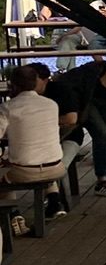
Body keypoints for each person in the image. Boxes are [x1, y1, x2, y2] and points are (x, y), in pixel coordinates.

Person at [48, 51, 106, 196]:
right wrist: (72, 104)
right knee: (103, 136)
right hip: (89, 104)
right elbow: (66, 79)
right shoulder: (94, 69)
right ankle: (102, 181)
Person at [1, 65, 74, 209]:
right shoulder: (51, 105)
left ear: (13, 85)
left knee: (5, 173)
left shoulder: (8, 107)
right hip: (56, 167)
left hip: (24, 172)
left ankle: (13, 215)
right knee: (41, 158)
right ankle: (54, 200)